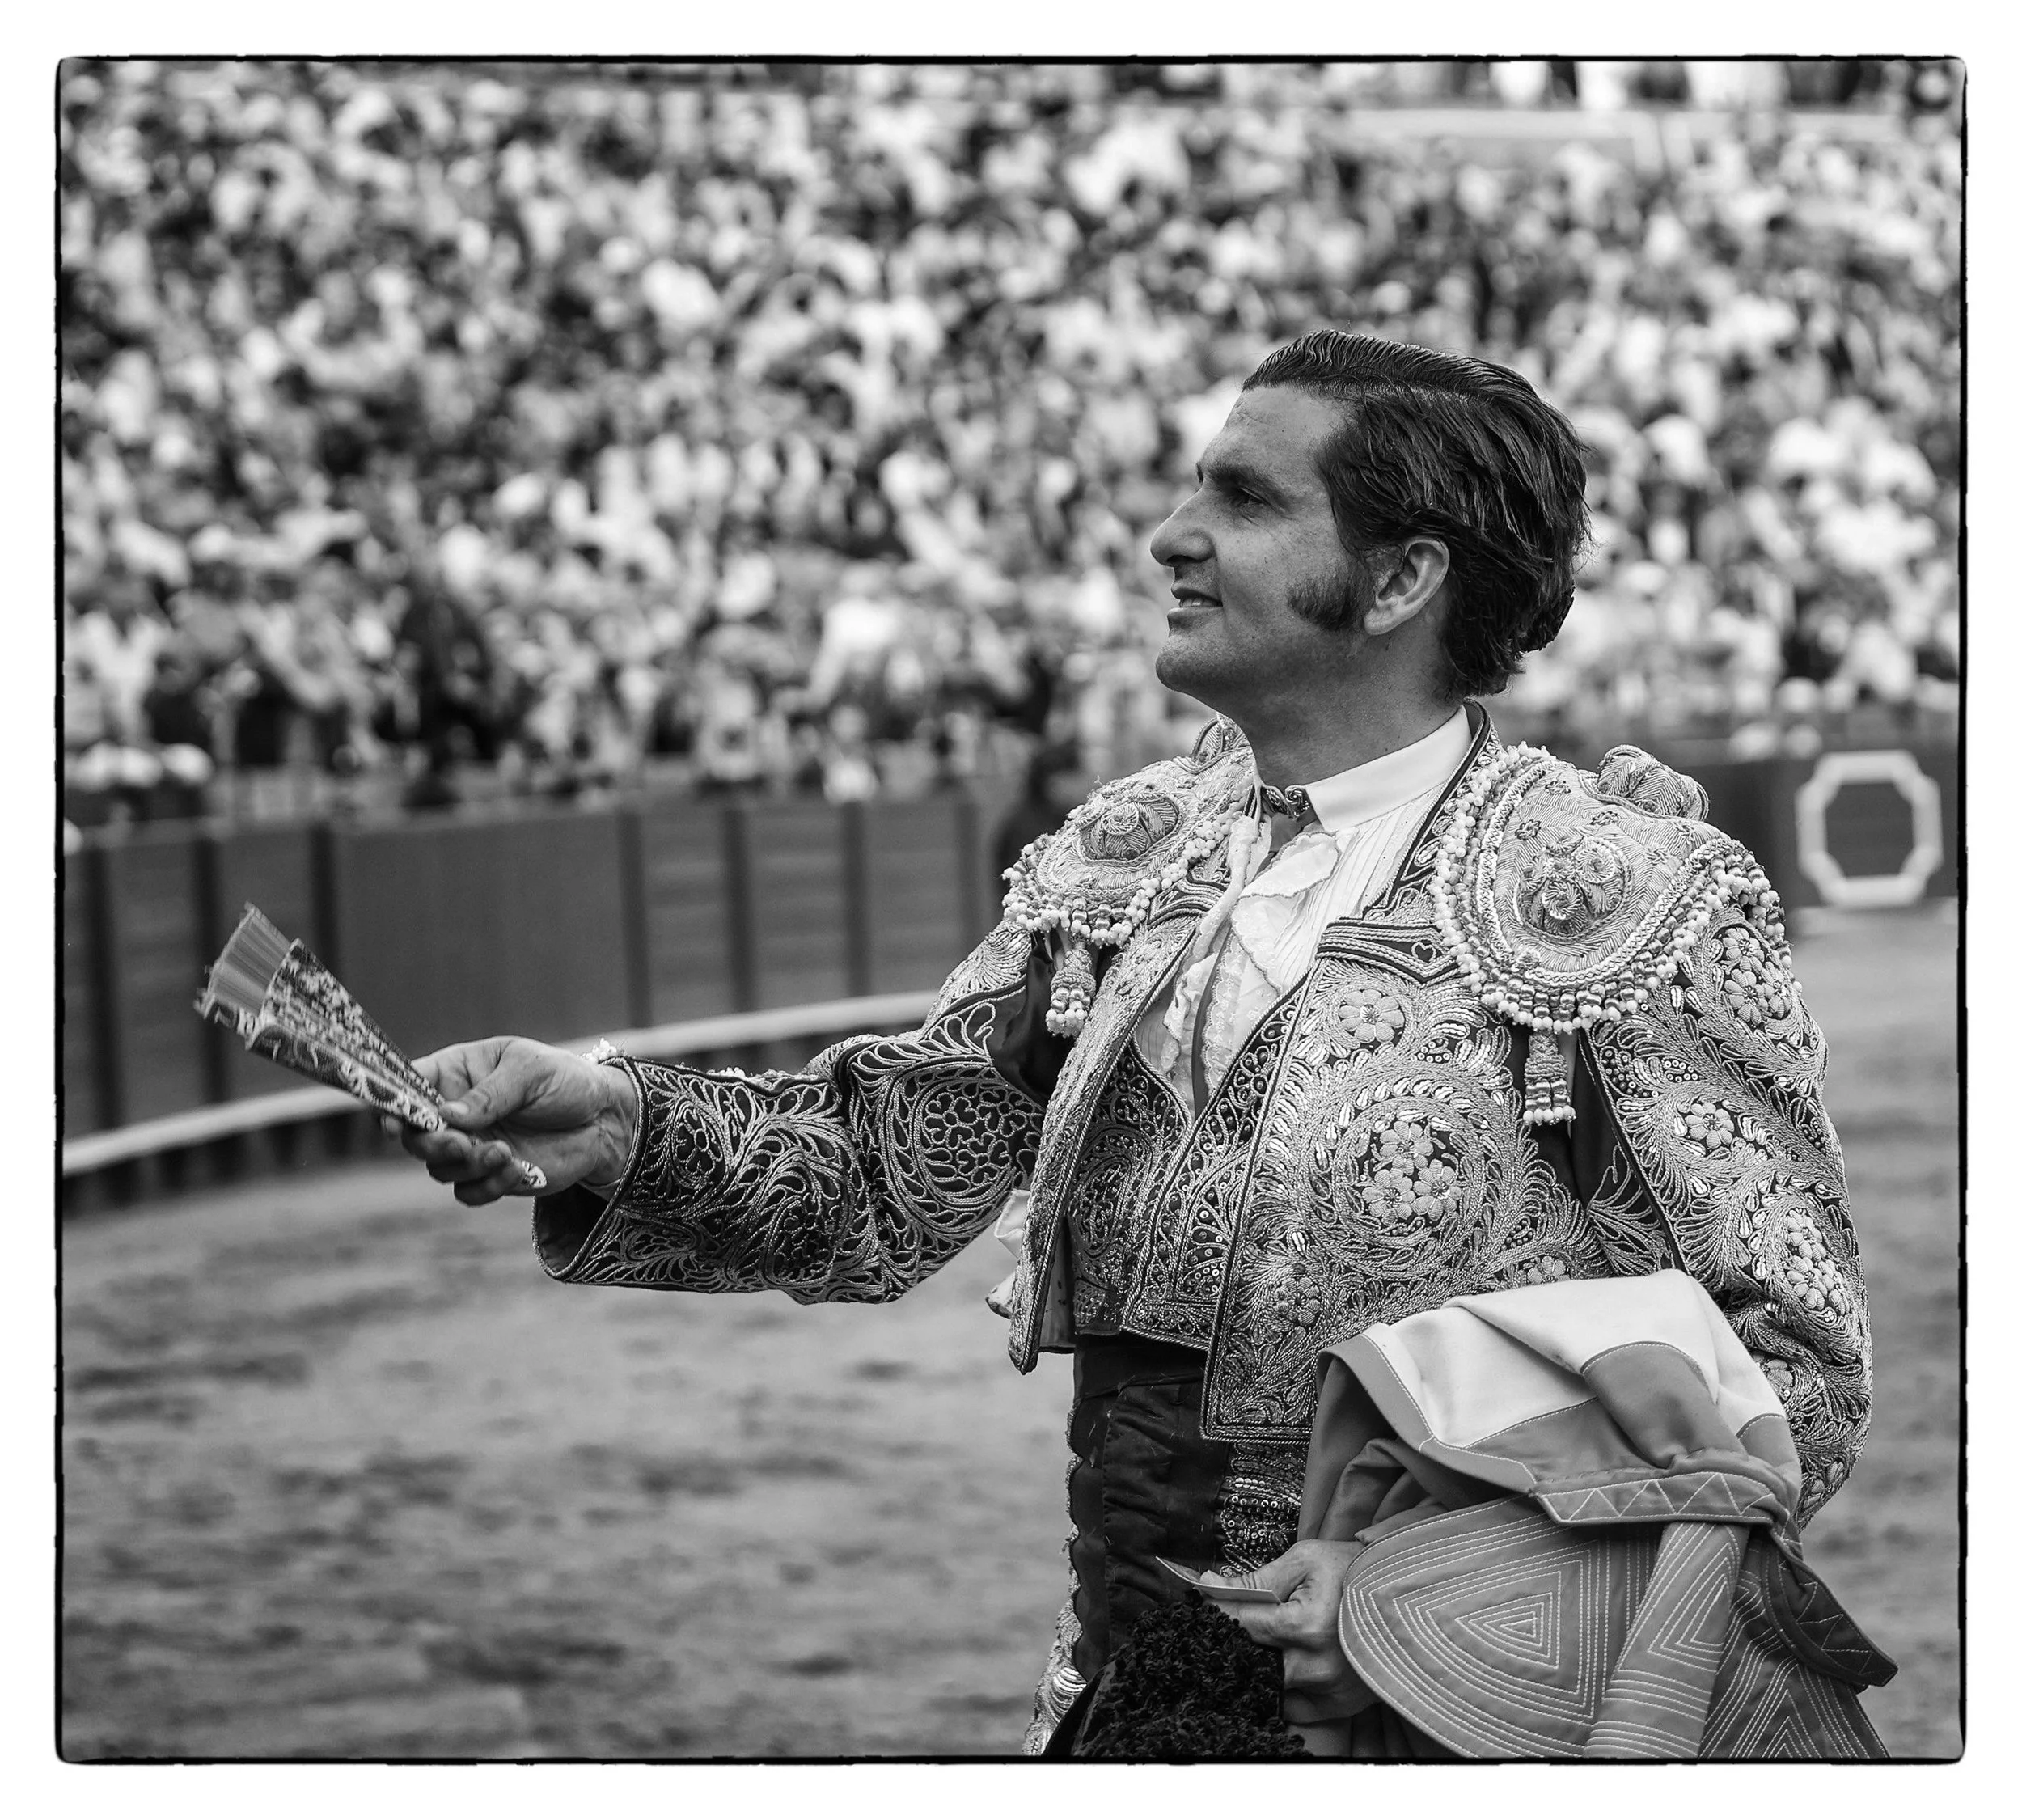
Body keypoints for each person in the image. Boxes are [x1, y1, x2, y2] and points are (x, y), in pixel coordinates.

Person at [394, 332, 1872, 1756]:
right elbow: (889, 1172)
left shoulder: (1622, 893)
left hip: (1452, 1731)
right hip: (1124, 1705)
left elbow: (1792, 1375)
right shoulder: (1132, 854)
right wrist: (618, 1122)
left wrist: (1430, 1593)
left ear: (1400, 579)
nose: (1172, 535)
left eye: (1245, 498)